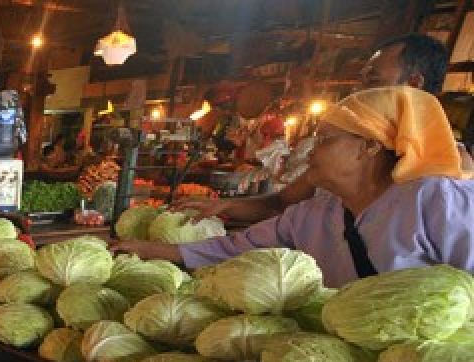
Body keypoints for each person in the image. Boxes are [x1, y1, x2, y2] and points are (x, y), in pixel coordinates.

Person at [114, 87, 474, 287]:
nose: (311, 151)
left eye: (326, 141)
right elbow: (231, 249)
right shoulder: (315, 214)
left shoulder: (436, 200)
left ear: (370, 146)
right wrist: (138, 248)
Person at [178, 33, 454, 224]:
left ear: (414, 86)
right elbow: (283, 203)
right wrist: (225, 206)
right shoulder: (343, 152)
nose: (358, 91)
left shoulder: (449, 182)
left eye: (371, 80)